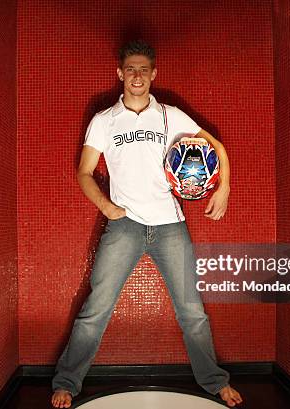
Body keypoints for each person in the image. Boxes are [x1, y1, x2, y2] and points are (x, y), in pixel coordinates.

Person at [51, 40, 243, 408]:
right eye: (131, 69)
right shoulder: (104, 121)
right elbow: (84, 172)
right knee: (96, 310)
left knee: (193, 311)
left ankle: (216, 382)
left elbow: (215, 145)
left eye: (144, 70)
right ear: (120, 74)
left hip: (170, 225)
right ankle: (67, 382)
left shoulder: (171, 116)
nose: (137, 76)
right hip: (125, 226)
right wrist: (106, 206)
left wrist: (225, 188)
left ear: (153, 74)